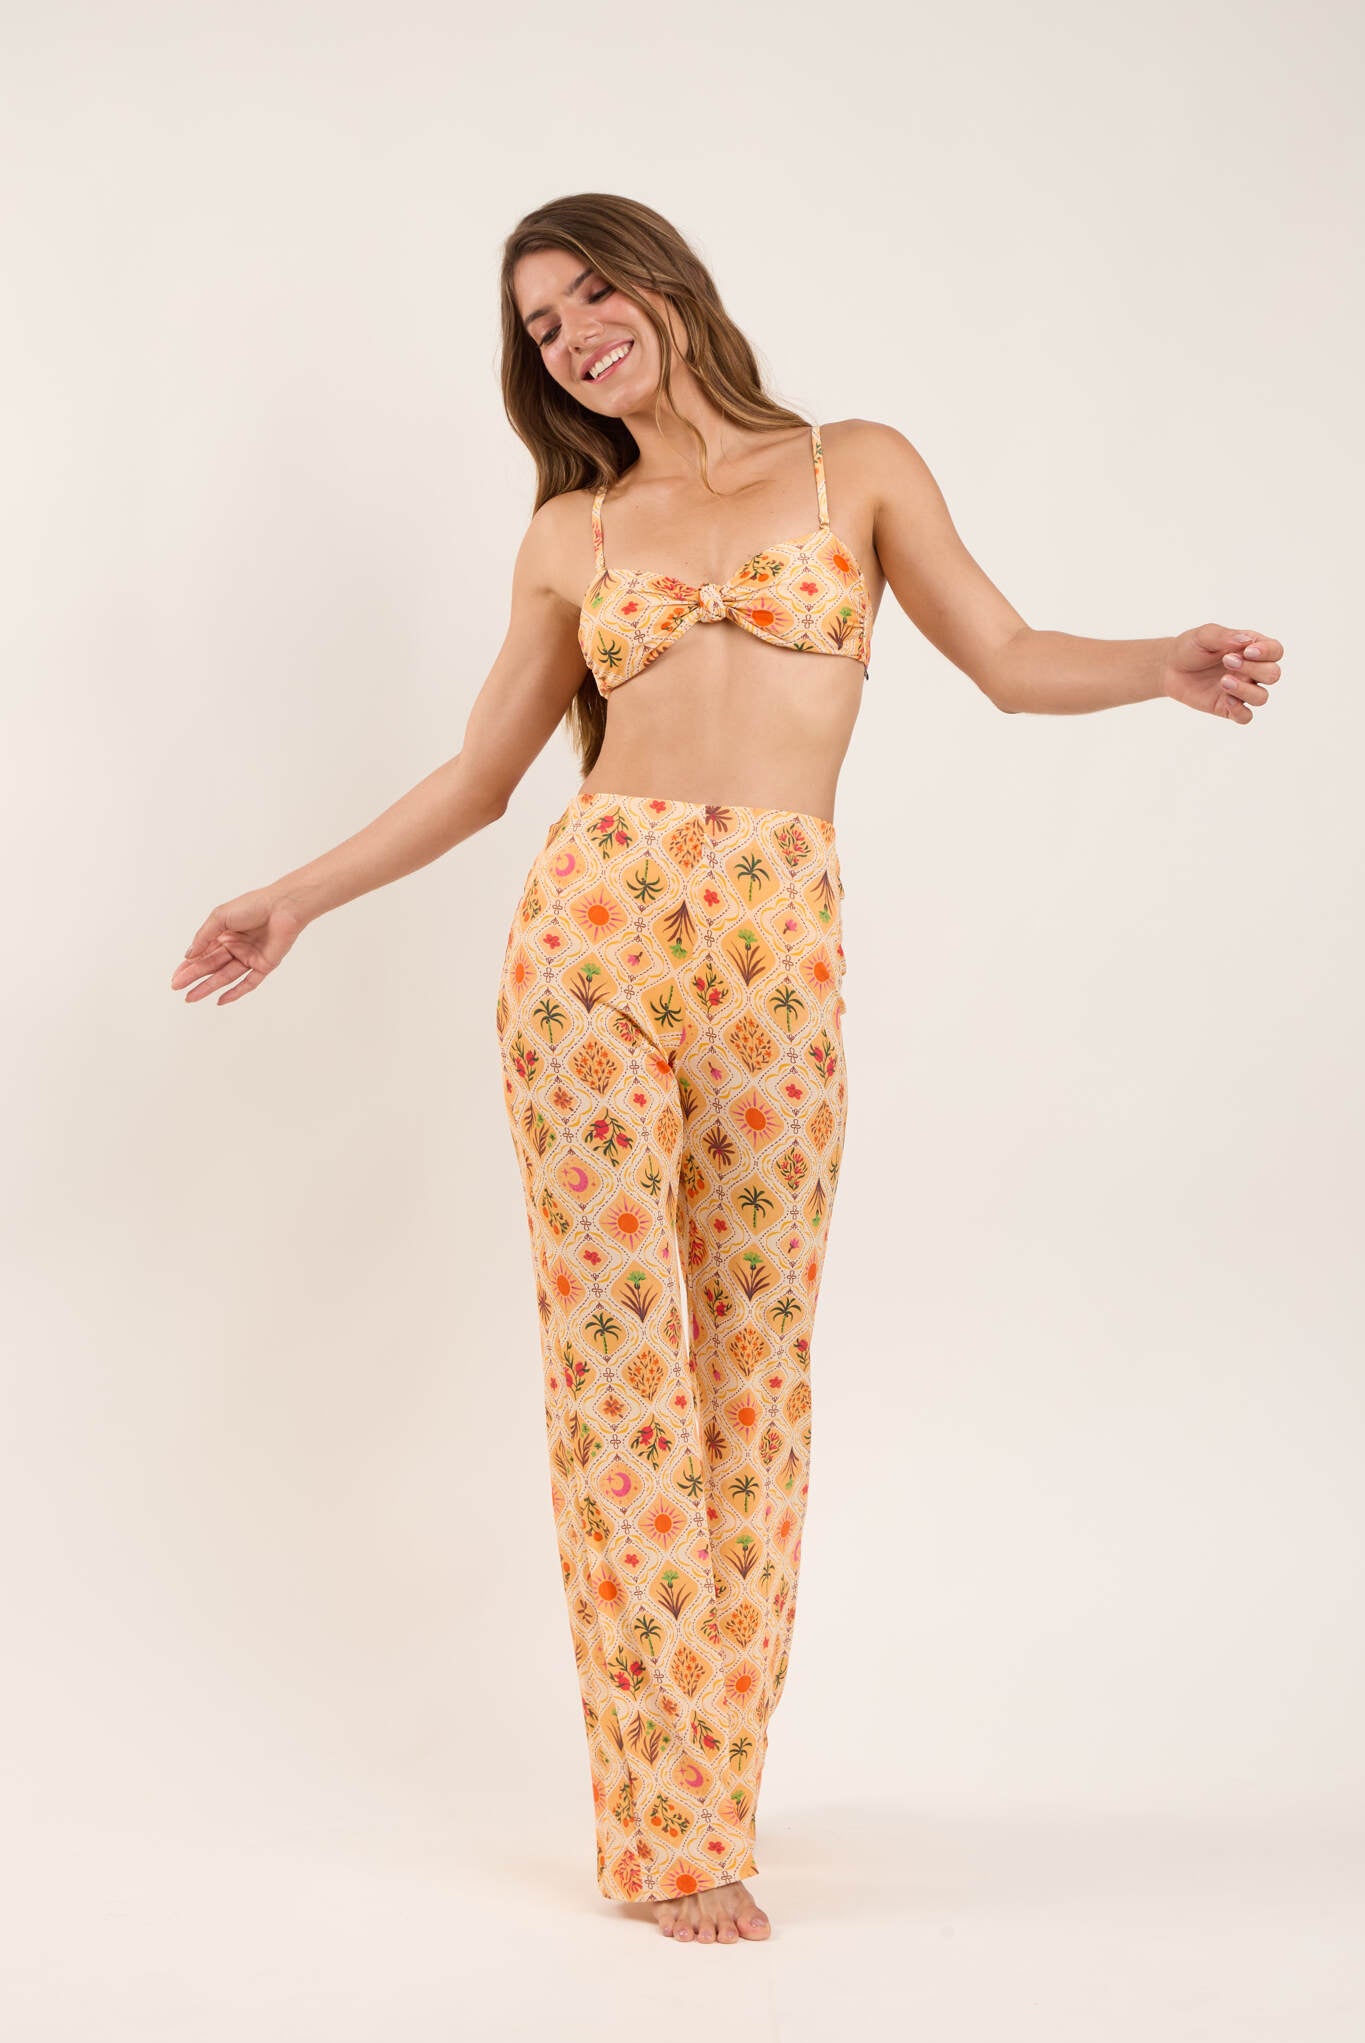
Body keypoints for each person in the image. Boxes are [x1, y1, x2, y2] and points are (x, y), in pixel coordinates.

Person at [170, 192, 1283, 1947]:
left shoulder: (855, 467)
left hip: (776, 938)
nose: (571, 337)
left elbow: (1003, 661)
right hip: (591, 936)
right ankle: (667, 1831)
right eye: (539, 327)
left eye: (588, 294)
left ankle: (714, 1778)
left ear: (666, 285)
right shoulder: (570, 530)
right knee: (618, 1373)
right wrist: (292, 897)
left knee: (753, 1365)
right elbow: (480, 779)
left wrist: (1159, 664)